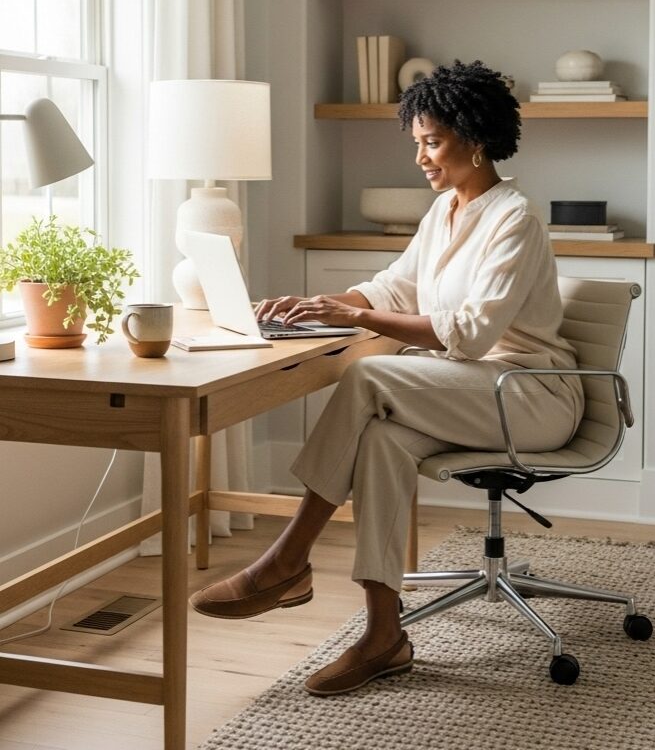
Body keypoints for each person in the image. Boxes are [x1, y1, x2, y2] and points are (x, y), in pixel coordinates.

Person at [190, 60, 584, 696]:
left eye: (432, 141)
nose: (422, 158)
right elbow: (390, 287)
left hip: (529, 393)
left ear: (475, 137)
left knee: (371, 377)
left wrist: (360, 317)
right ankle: (384, 636)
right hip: (467, 391)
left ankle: (288, 558)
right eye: (418, 144)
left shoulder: (515, 219)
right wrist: (319, 304)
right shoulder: (443, 213)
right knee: (381, 442)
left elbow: (474, 332)